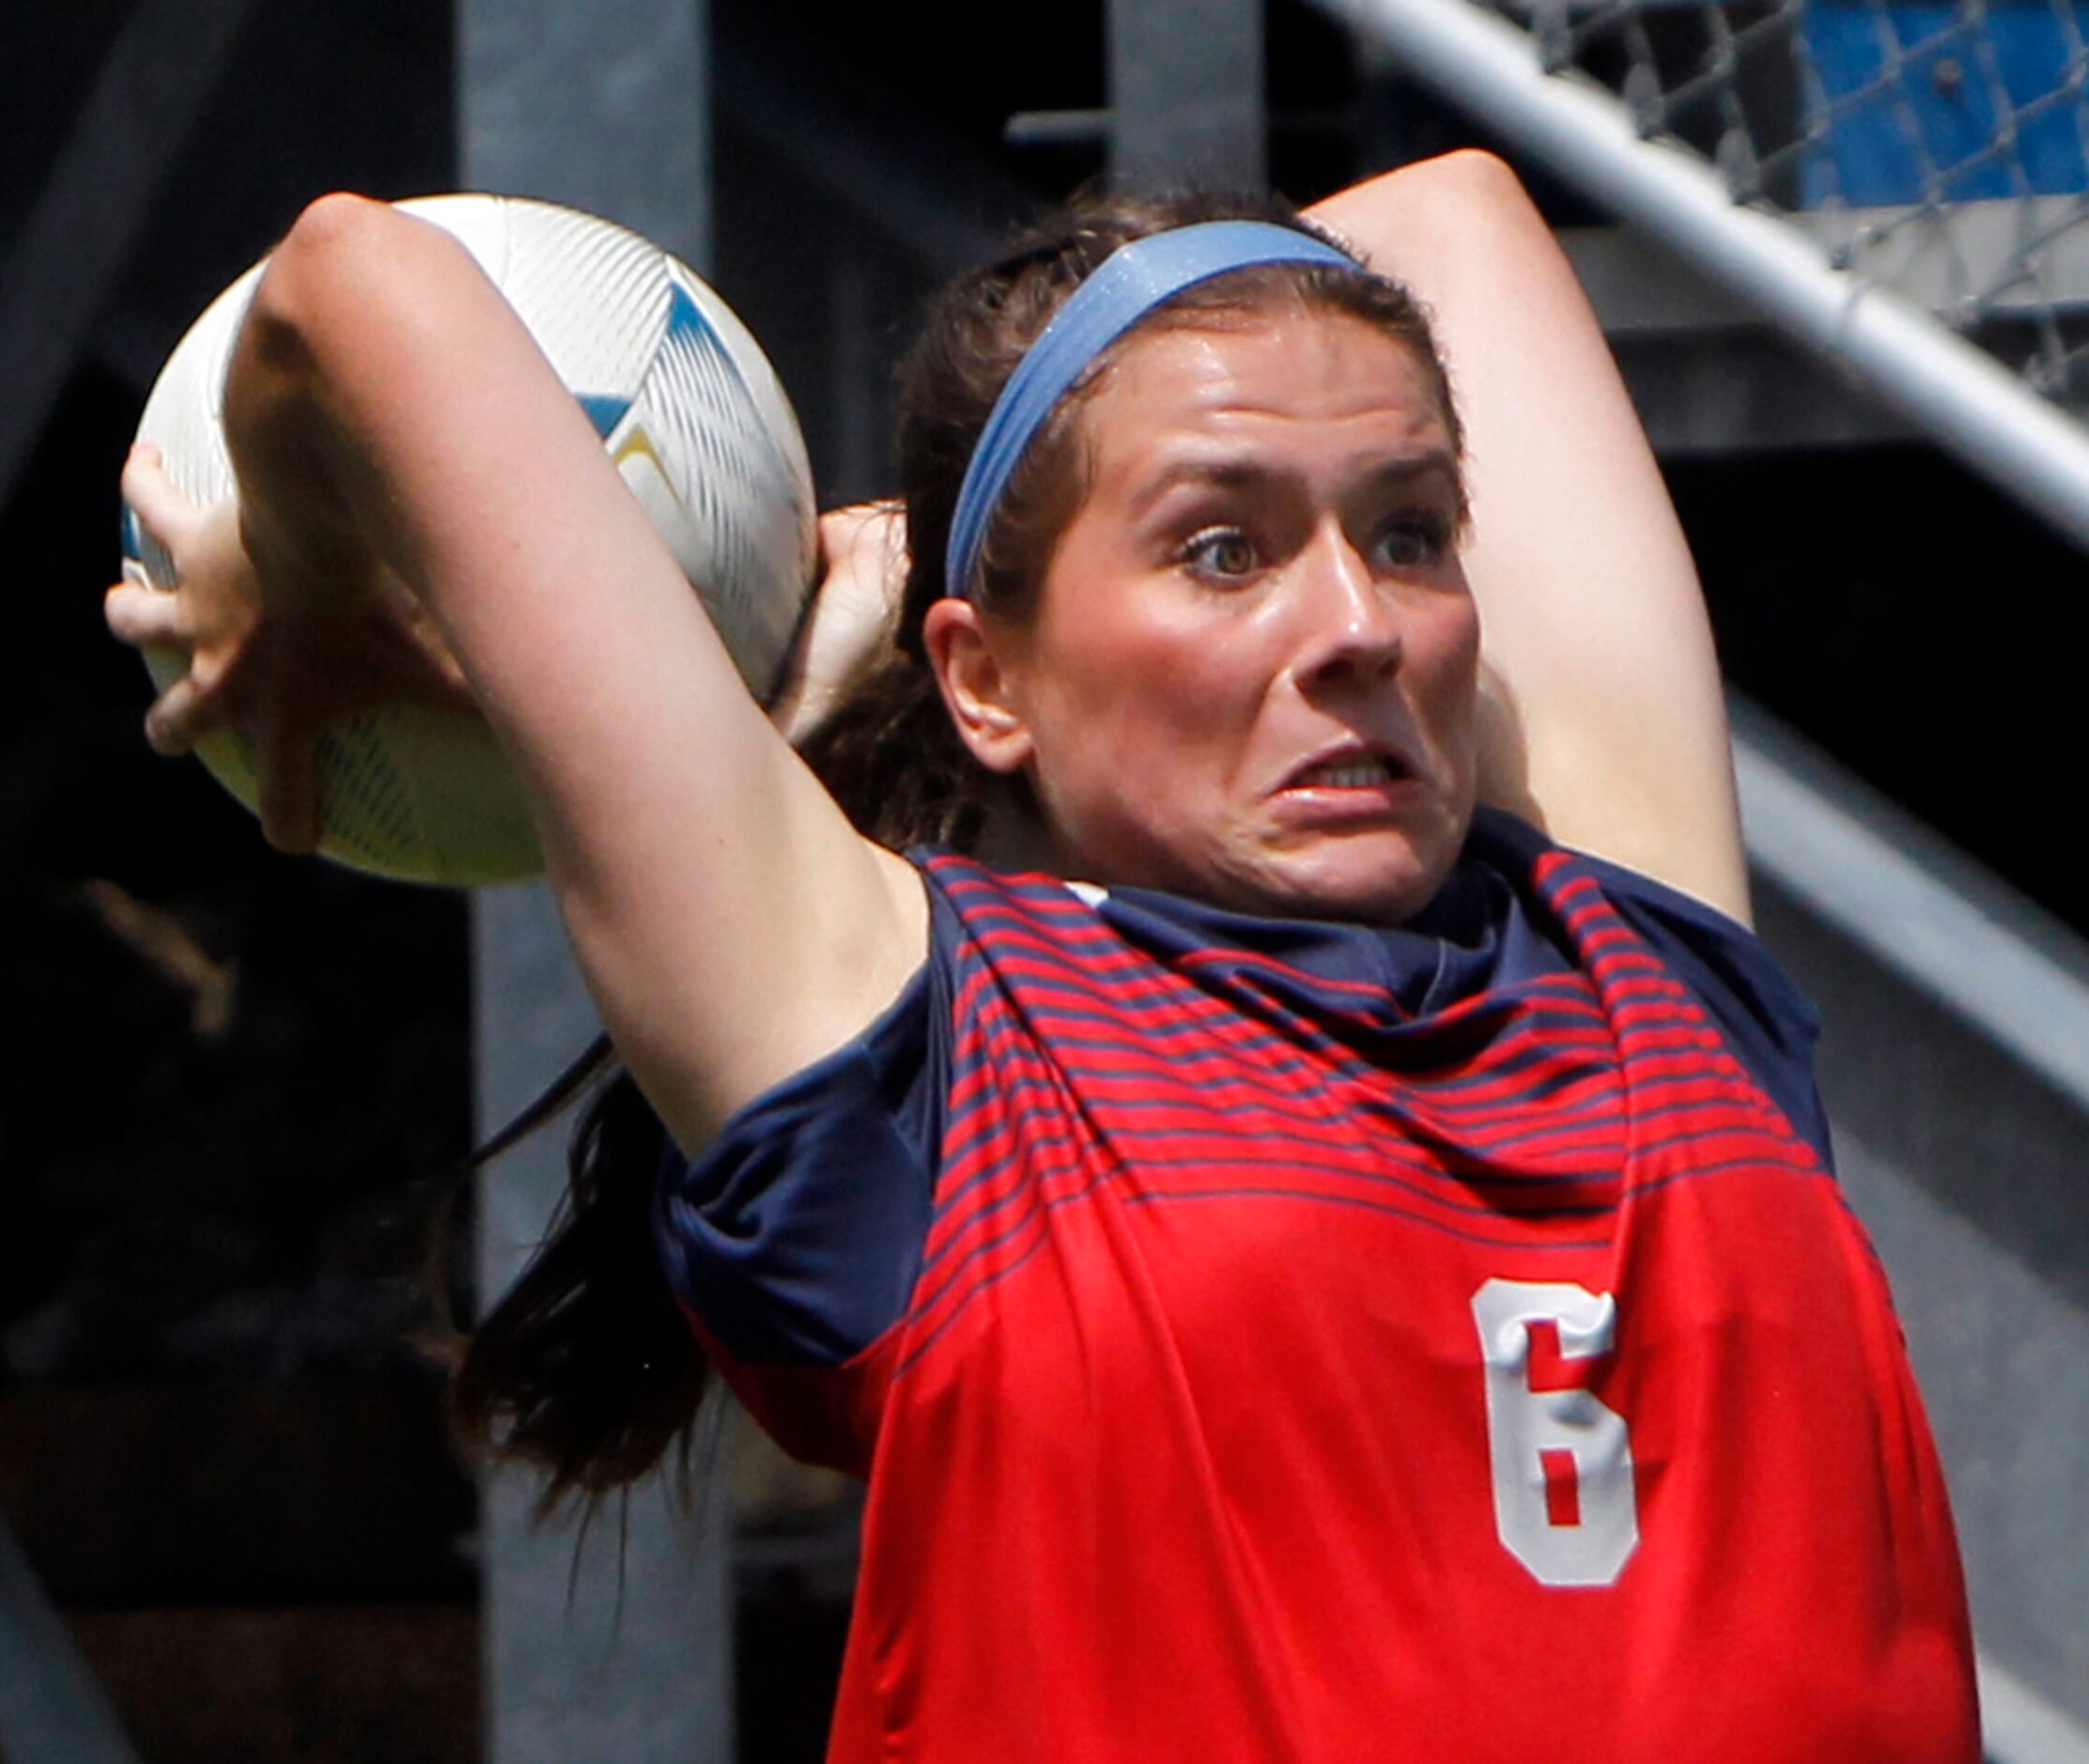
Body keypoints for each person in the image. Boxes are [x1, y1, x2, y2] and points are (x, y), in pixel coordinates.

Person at [106, 153, 1977, 1760]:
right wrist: (304, 553)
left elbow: (1441, 213)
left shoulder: (1640, 965)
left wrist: (981, 503)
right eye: (1221, 551)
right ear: (979, 677)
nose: (1357, 625)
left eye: (1406, 533)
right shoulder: (915, 1050)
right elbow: (358, 280)